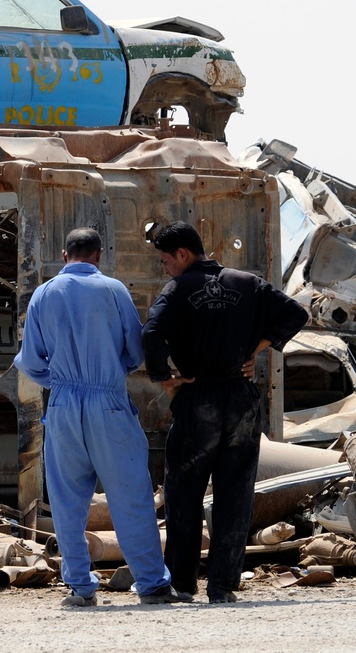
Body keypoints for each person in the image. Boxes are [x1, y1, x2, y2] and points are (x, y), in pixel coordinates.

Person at [15, 227, 186, 607]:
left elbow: (30, 362)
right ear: (99, 254)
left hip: (62, 405)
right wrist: (107, 372)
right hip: (108, 403)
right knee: (131, 495)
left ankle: (80, 585)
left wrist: (60, 380)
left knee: (66, 501)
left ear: (64, 254)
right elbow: (134, 351)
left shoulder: (43, 294)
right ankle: (152, 584)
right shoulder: (113, 290)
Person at [142, 221, 308, 604]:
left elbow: (151, 333)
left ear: (183, 254)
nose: (165, 269)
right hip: (240, 399)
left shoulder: (178, 289)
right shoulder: (248, 283)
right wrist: (256, 349)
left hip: (198, 397)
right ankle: (222, 587)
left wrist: (165, 379)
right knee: (235, 495)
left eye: (166, 261)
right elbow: (295, 314)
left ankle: (183, 585)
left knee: (184, 493)